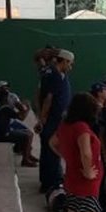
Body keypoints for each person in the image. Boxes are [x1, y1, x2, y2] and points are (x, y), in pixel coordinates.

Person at [36, 49, 74, 195]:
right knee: (52, 150)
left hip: (54, 119)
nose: (71, 66)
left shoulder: (49, 73)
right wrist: (43, 118)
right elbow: (48, 99)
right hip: (53, 120)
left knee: (47, 150)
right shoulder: (55, 76)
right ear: (63, 61)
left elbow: (39, 93)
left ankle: (47, 181)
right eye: (70, 63)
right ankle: (52, 182)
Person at [0, 87, 38, 167]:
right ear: (5, 98)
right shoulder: (6, 108)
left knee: (23, 130)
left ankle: (27, 153)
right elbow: (21, 117)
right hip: (1, 136)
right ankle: (25, 160)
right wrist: (27, 108)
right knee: (29, 135)